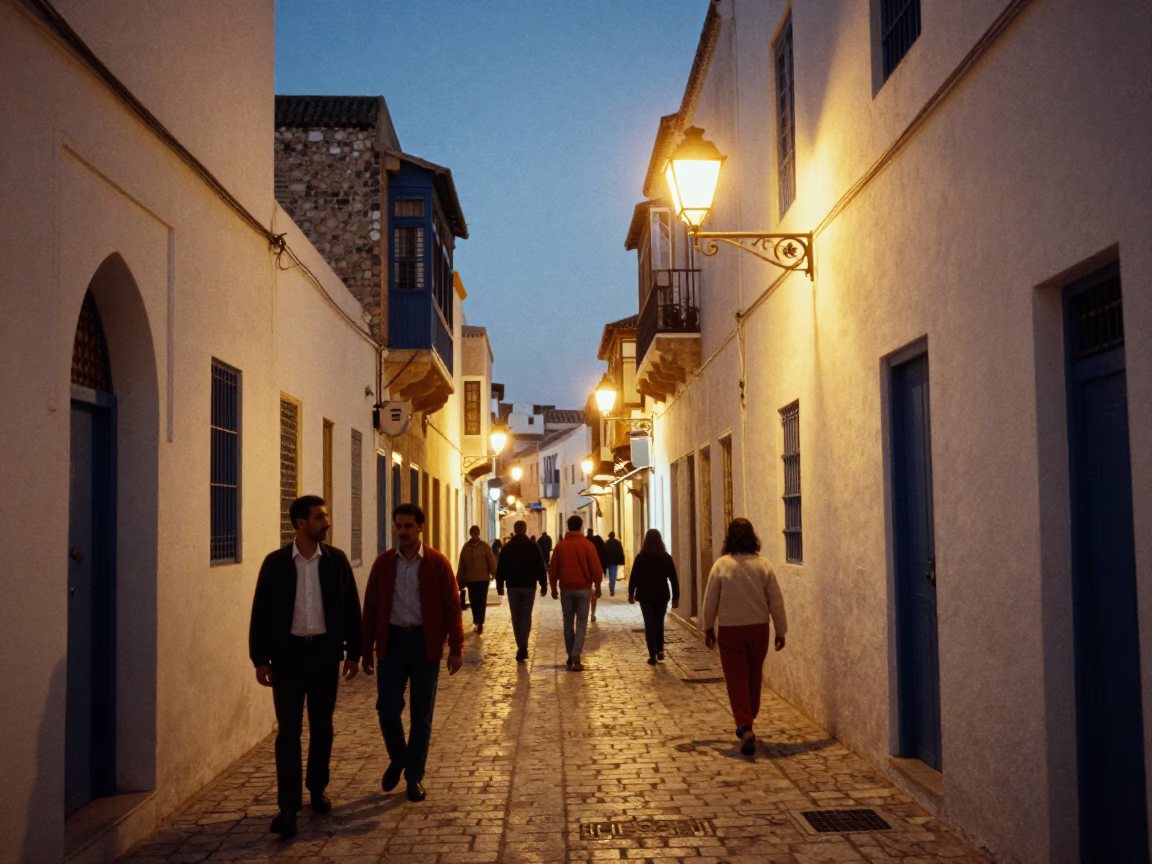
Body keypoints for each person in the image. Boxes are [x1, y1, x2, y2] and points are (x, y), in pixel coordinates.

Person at [248, 495, 363, 839]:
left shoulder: (336, 561)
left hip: (325, 655)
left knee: (322, 726)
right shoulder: (277, 563)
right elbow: (261, 612)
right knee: (288, 732)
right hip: (288, 656)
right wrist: (260, 659)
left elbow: (350, 609)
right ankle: (288, 806)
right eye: (319, 517)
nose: (325, 522)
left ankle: (316, 788)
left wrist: (354, 652)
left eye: (324, 516)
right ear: (300, 523)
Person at [362, 503, 464, 802]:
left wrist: (456, 648)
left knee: (422, 717)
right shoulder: (383, 564)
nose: (403, 532)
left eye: (408, 526)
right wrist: (365, 649)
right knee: (388, 708)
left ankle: (413, 777)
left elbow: (452, 606)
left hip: (424, 645)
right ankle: (399, 757)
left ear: (420, 527)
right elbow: (370, 607)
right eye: (398, 526)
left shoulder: (436, 563)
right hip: (392, 644)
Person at [702, 518, 788, 756]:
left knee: (736, 678)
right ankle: (748, 719)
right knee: (753, 675)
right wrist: (781, 630)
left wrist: (708, 627)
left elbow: (711, 600)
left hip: (731, 630)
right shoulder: (764, 566)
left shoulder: (721, 565)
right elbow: (776, 601)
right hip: (758, 629)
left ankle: (745, 724)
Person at [549, 515, 603, 671]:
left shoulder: (560, 547)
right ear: (581, 526)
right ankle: (576, 655)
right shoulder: (588, 546)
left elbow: (553, 570)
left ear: (568, 526)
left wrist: (553, 588)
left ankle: (570, 654)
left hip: (566, 589)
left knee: (567, 622)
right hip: (584, 589)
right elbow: (597, 570)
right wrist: (597, 587)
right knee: (581, 623)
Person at [495, 520, 548, 661]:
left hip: (513, 586)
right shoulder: (533, 547)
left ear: (515, 529)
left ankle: (521, 646)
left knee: (516, 616)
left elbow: (500, 568)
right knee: (526, 616)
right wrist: (543, 584)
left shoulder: (507, 548)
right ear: (524, 530)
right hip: (529, 586)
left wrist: (499, 585)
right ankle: (523, 646)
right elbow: (540, 566)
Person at [627, 529, 680, 665]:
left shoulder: (640, 558)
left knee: (649, 624)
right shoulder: (666, 557)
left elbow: (634, 577)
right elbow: (673, 578)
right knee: (659, 622)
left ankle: (652, 654)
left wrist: (631, 593)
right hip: (661, 595)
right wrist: (676, 597)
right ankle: (660, 649)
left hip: (645, 595)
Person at [456, 525, 497, 634]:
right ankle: (477, 621)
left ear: (478, 534)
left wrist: (494, 573)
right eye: (473, 533)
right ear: (471, 534)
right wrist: (459, 579)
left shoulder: (485, 547)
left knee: (482, 600)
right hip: (471, 579)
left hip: (483, 579)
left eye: (476, 533)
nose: (474, 535)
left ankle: (480, 623)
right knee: (474, 601)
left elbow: (491, 560)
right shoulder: (466, 548)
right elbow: (462, 565)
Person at [586, 528, 608, 622]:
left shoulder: (585, 543)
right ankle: (592, 614)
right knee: (593, 595)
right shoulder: (597, 542)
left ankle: (584, 614)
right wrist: (598, 586)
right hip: (593, 571)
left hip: (583, 576)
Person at [603, 531, 626, 596]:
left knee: (611, 575)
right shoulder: (617, 543)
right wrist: (622, 561)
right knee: (613, 575)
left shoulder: (606, 543)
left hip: (608, 562)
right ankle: (612, 588)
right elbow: (621, 552)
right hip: (614, 562)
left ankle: (611, 587)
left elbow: (604, 553)